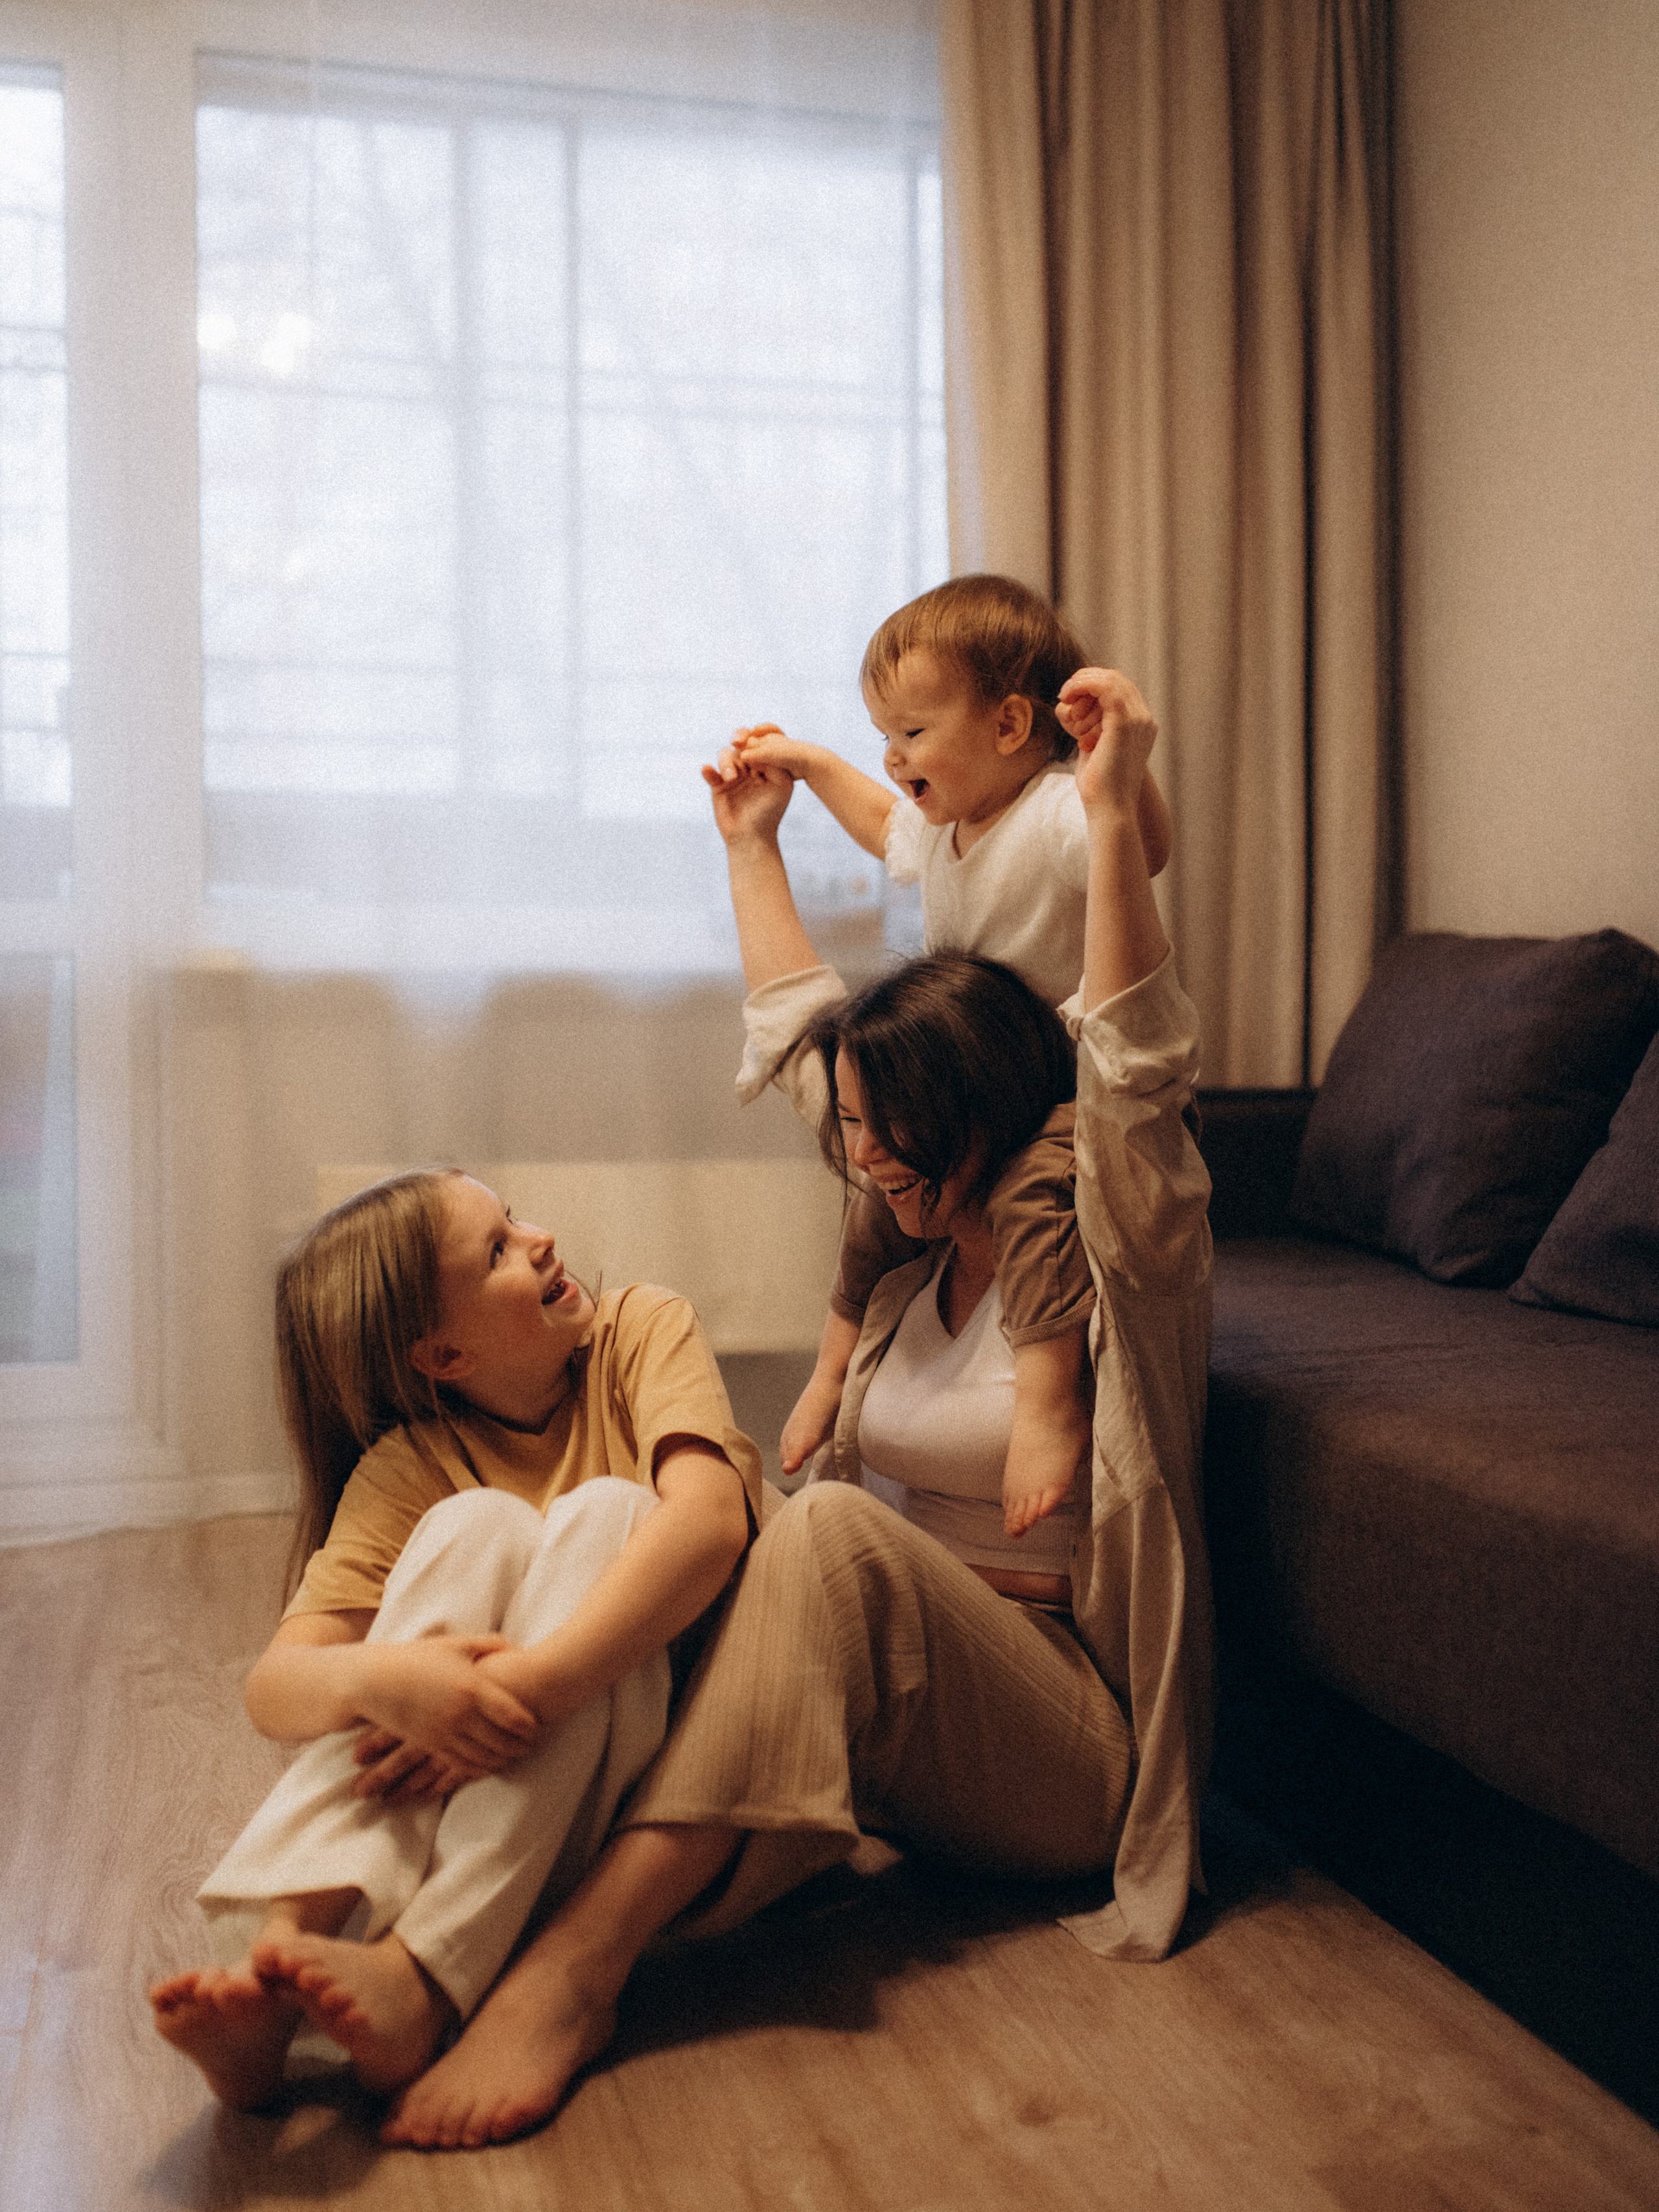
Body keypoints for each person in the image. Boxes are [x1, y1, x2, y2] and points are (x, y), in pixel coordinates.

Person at [375, 666, 1214, 2150]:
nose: (868, 1160)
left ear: (981, 1110)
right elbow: (798, 1034)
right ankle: (416, 1941)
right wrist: (752, 848)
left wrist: (1105, 807)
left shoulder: (1107, 1248)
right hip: (909, 1715)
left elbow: (1135, 1060)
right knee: (646, 1519)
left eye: (898, 1133)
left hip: (1066, 1752)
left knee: (817, 1528)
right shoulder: (900, 1278)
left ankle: (575, 1971)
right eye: (860, 1134)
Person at [148, 1169, 760, 2112]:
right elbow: (275, 1686)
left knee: (607, 1511)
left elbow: (713, 1524)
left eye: (510, 1218)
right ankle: (281, 1956)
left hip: (649, 1772)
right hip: (488, 1801)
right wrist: (391, 1683)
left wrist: (527, 1685)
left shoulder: (640, 1331)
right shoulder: (412, 1465)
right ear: (441, 1355)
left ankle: (424, 1973)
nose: (540, 1238)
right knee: (473, 1526)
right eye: (499, 1250)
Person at [715, 575, 1173, 1544]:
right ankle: (829, 1370)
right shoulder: (942, 830)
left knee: (1035, 1197)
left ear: (1010, 724)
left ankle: (1047, 1400)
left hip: (1060, 1086)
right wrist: (803, 773)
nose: (893, 755)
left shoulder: (1055, 809)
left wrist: (1122, 782)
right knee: (869, 1210)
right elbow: (878, 824)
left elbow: (1144, 852)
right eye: (884, 734)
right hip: (955, 1078)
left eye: (914, 732)